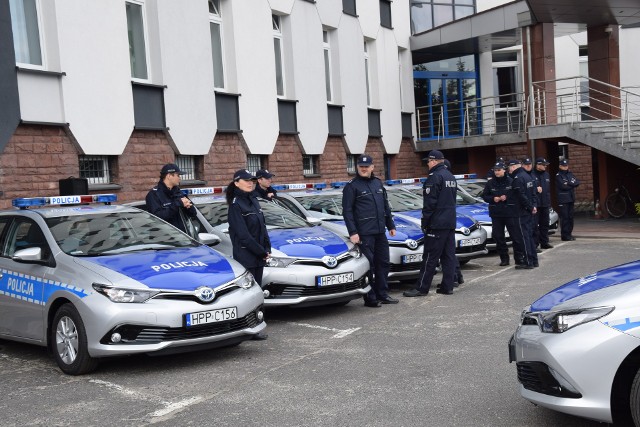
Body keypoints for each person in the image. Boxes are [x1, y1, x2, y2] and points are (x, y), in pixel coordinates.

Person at [342, 154, 398, 307]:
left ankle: (382, 294)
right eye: (361, 167)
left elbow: (385, 206)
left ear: (372, 167)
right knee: (369, 265)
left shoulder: (378, 184)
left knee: (384, 263)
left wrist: (391, 225)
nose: (364, 169)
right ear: (357, 168)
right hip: (364, 233)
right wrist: (353, 232)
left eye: (367, 167)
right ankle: (370, 298)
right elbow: (347, 212)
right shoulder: (352, 186)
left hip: (380, 232)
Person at [403, 150, 457, 297]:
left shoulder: (434, 177)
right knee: (448, 256)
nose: (427, 164)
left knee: (430, 257)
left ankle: (422, 288)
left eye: (428, 161)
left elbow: (430, 204)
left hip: (437, 223)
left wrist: (425, 222)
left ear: (433, 161)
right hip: (449, 222)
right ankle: (448, 286)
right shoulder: (450, 176)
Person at [226, 169, 271, 340]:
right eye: (246, 180)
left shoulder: (253, 201)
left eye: (251, 180)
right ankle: (248, 327)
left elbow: (262, 226)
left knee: (258, 292)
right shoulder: (236, 205)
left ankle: (257, 324)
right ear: (236, 183)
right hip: (247, 255)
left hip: (259, 255)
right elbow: (243, 236)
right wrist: (261, 251)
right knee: (249, 294)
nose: (250, 182)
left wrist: (267, 247)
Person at [481, 161, 518, 266]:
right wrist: (493, 198)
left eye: (499, 170)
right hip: (496, 214)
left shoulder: (511, 181)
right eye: (495, 170)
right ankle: (504, 259)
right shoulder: (490, 183)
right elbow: (484, 196)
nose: (496, 172)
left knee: (515, 236)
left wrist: (507, 198)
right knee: (498, 237)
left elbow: (516, 195)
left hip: (510, 213)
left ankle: (519, 258)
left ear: (504, 170)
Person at [146, 163, 197, 233]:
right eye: (178, 175)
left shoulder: (178, 192)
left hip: (183, 236)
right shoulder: (154, 194)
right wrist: (177, 204)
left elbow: (193, 214)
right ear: (169, 176)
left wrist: (189, 206)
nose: (180, 178)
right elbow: (157, 219)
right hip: (167, 239)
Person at [508, 159, 538, 269]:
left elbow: (521, 196)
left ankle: (528, 261)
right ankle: (534, 260)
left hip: (522, 211)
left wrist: (530, 207)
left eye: (510, 167)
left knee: (524, 237)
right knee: (529, 236)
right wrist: (533, 206)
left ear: (513, 167)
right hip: (528, 210)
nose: (509, 169)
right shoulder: (527, 176)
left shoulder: (518, 178)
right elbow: (534, 193)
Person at [556, 159, 580, 241]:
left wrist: (569, 183)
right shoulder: (558, 175)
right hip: (563, 199)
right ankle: (565, 235)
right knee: (565, 218)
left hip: (571, 198)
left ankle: (569, 234)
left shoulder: (570, 174)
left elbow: (577, 182)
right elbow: (563, 186)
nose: (565, 167)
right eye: (563, 166)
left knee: (570, 218)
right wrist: (571, 184)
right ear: (560, 166)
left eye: (566, 166)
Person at [532, 157, 553, 249]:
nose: (545, 166)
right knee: (535, 226)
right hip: (536, 204)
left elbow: (547, 190)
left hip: (545, 203)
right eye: (543, 165)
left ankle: (544, 242)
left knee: (545, 224)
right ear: (538, 165)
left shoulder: (546, 175)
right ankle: (535, 245)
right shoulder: (531, 175)